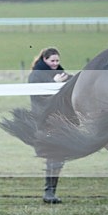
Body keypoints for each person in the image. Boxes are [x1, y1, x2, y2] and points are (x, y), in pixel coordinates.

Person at [28, 47, 71, 204]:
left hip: (58, 119)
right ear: (44, 60)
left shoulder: (60, 72)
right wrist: (54, 83)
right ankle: (49, 192)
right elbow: (39, 95)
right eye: (52, 61)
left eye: (57, 61)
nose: (55, 63)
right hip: (44, 120)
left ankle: (50, 191)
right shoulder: (36, 75)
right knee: (55, 154)